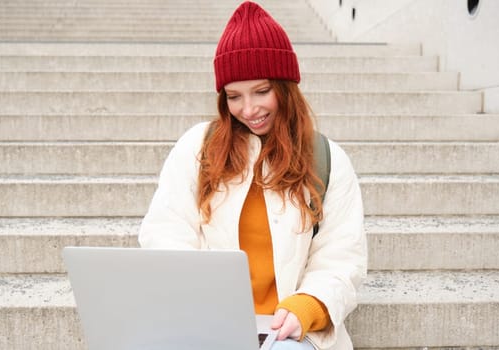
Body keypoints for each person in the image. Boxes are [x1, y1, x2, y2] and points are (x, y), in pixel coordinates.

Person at [138, 2, 367, 349]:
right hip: (208, 324)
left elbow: (341, 256)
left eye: (262, 91)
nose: (248, 109)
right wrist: (195, 302)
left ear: (286, 88)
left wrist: (308, 305)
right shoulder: (197, 147)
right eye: (234, 96)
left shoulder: (328, 159)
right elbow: (166, 232)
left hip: (290, 330)